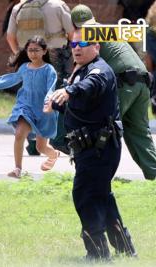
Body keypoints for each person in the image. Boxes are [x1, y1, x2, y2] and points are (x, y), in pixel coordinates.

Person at [44, 29, 137, 260]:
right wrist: (55, 102)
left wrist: (68, 90)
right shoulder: (81, 71)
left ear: (97, 47)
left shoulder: (99, 70)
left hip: (100, 148)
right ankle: (125, 249)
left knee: (84, 195)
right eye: (73, 44)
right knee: (101, 196)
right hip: (90, 148)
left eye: (83, 43)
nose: (77, 48)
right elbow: (78, 106)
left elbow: (90, 86)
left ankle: (97, 253)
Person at [71, 4, 156, 180]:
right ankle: (154, 174)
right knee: (139, 133)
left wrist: (69, 88)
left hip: (124, 82)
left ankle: (96, 174)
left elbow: (82, 65)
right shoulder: (105, 29)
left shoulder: (86, 34)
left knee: (105, 127)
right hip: (142, 81)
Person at [0, 36, 59, 178]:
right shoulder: (24, 68)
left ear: (44, 51)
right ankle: (17, 169)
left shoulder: (49, 70)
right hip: (25, 107)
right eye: (30, 50)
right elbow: (12, 79)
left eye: (36, 50)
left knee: (40, 147)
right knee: (19, 134)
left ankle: (53, 154)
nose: (32, 53)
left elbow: (51, 88)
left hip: (44, 110)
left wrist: (48, 101)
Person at [6, 0, 74, 155]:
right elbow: (72, 34)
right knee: (58, 99)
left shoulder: (19, 7)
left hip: (28, 59)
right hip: (55, 58)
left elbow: (10, 36)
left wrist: (22, 55)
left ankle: (32, 145)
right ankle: (58, 141)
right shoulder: (58, 6)